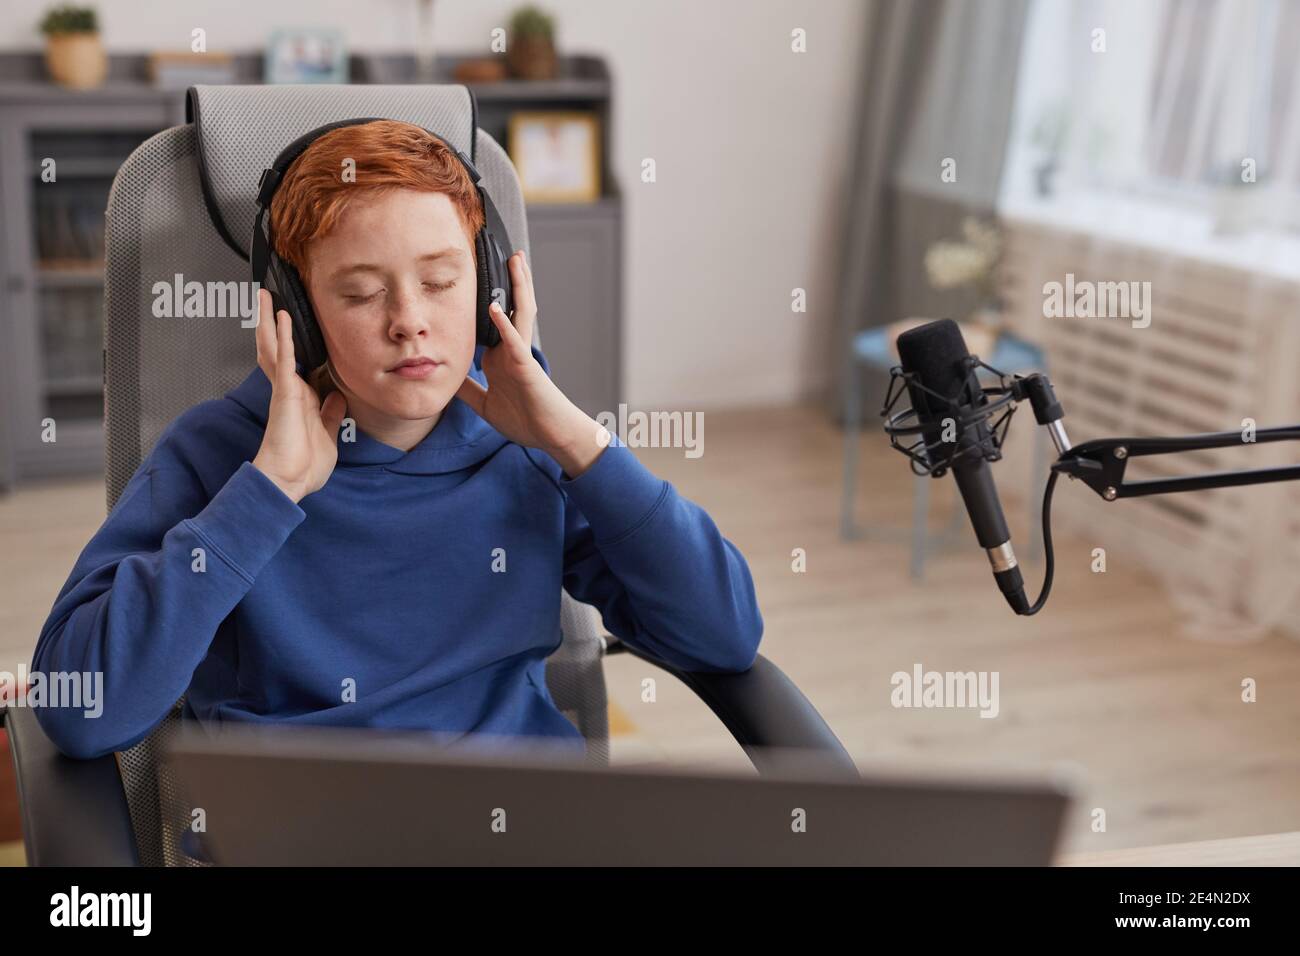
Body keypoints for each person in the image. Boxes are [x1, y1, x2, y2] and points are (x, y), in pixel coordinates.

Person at [30, 119, 763, 762]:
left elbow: (722, 636)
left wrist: (578, 443)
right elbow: (80, 712)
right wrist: (266, 493)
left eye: (442, 282)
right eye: (359, 293)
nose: (409, 319)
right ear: (295, 314)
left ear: (489, 289)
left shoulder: (530, 445)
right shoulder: (220, 457)